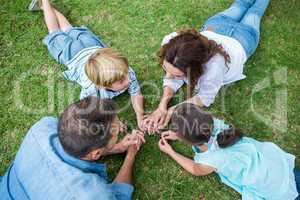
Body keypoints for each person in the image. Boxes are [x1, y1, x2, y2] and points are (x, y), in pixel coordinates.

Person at [144, 0, 270, 133]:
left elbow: (204, 98)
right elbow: (172, 75)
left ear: (196, 69)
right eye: (166, 69)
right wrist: (162, 106)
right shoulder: (171, 41)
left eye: (177, 75)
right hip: (217, 25)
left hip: (243, 38)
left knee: (255, 11)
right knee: (241, 4)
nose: (169, 76)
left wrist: (171, 110)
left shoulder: (213, 68)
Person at [28, 0, 146, 130]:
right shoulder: (92, 91)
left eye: (125, 75)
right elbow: (97, 108)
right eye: (121, 81)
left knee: (69, 29)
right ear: (101, 85)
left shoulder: (125, 71)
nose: (128, 79)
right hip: (72, 55)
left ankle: (46, 6)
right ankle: (44, 3)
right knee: (55, 32)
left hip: (91, 46)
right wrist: (115, 122)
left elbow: (136, 93)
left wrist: (140, 117)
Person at [0, 97, 145, 200]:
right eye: (117, 132)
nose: (120, 129)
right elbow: (120, 195)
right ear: (96, 154)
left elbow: (79, 140)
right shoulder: (92, 195)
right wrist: (130, 155)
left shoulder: (43, 127)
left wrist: (116, 147)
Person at [158, 103, 300, 200]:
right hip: (277, 165)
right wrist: (180, 133)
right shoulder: (216, 124)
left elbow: (195, 169)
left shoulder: (211, 160)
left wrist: (171, 152)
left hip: (275, 188)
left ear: (186, 140)